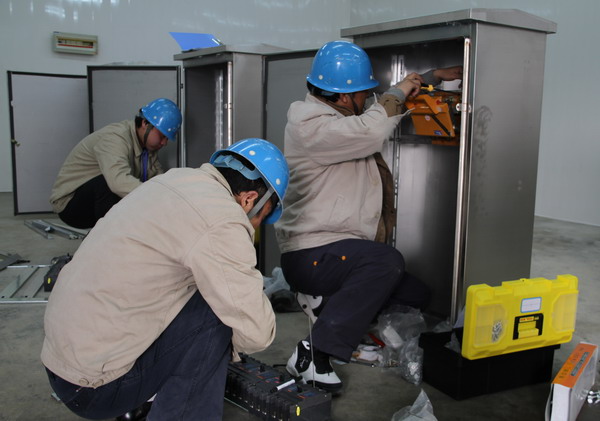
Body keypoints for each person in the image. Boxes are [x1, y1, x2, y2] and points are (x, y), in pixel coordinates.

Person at [41, 138, 289, 420]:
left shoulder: (172, 180)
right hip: (95, 387)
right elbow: (257, 331)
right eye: (261, 218)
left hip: (61, 361)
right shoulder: (223, 218)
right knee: (217, 313)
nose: (256, 227)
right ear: (249, 199)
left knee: (203, 290)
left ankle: (150, 396)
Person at [274, 40, 463, 393]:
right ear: (346, 97)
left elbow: (374, 114)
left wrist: (427, 79)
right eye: (363, 92)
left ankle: (338, 316)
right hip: (311, 254)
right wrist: (399, 91)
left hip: (337, 251)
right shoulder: (311, 126)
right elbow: (372, 128)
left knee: (416, 295)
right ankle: (314, 353)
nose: (368, 98)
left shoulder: (339, 117)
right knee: (386, 262)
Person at [49, 97, 182, 229]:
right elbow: (118, 183)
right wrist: (156, 197)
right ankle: (105, 238)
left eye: (167, 138)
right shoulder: (115, 138)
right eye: (162, 136)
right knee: (110, 185)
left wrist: (171, 197)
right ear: (145, 124)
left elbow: (158, 181)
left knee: (142, 194)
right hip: (70, 205)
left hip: (97, 201)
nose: (164, 143)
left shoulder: (148, 150)